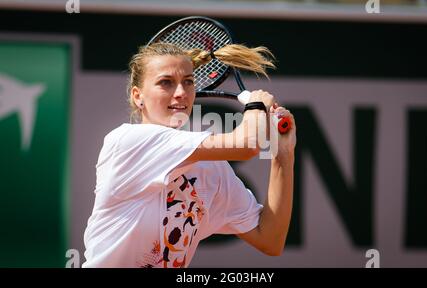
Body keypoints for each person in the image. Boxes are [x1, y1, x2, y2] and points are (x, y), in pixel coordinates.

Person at [82, 42, 296, 268]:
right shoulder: (127, 142)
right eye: (166, 83)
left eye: (188, 82)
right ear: (138, 96)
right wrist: (255, 105)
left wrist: (283, 155)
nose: (181, 93)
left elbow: (270, 239)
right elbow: (247, 144)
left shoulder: (212, 169)